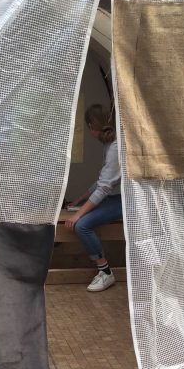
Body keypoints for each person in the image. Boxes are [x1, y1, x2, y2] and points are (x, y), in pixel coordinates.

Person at [65, 104, 122, 292]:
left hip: (126, 202)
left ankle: (105, 273)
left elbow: (104, 188)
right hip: (116, 198)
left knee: (81, 225)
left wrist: (78, 214)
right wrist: (79, 200)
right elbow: (102, 181)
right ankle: (103, 271)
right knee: (80, 213)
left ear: (91, 126)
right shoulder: (109, 144)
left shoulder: (115, 148)